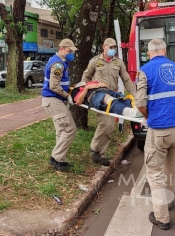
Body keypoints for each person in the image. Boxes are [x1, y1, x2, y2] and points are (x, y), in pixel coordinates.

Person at [135, 38, 175, 230]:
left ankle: (162, 217)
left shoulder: (145, 70)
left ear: (148, 52)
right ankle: (168, 202)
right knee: (171, 168)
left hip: (160, 128)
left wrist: (148, 116)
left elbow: (140, 103)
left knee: (155, 173)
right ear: (165, 51)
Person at [81, 38, 136, 166]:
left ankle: (99, 153)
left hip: (112, 95)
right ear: (104, 47)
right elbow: (86, 77)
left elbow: (126, 79)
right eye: (110, 47)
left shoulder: (118, 62)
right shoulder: (95, 61)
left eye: (114, 47)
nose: (113, 50)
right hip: (98, 95)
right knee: (106, 123)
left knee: (110, 126)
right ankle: (95, 149)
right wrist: (86, 90)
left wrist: (134, 94)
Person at [41, 38, 78, 172]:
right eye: (69, 50)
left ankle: (59, 160)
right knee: (70, 129)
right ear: (62, 49)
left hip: (53, 99)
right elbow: (54, 85)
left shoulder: (61, 62)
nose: (71, 53)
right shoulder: (57, 64)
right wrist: (67, 95)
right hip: (53, 99)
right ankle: (56, 157)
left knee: (62, 130)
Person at [71, 81, 142, 117]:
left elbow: (108, 86)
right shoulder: (76, 90)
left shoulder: (91, 82)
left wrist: (103, 84)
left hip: (107, 91)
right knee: (111, 101)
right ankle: (130, 112)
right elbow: (78, 101)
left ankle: (140, 109)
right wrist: (86, 88)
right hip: (95, 95)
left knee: (123, 100)